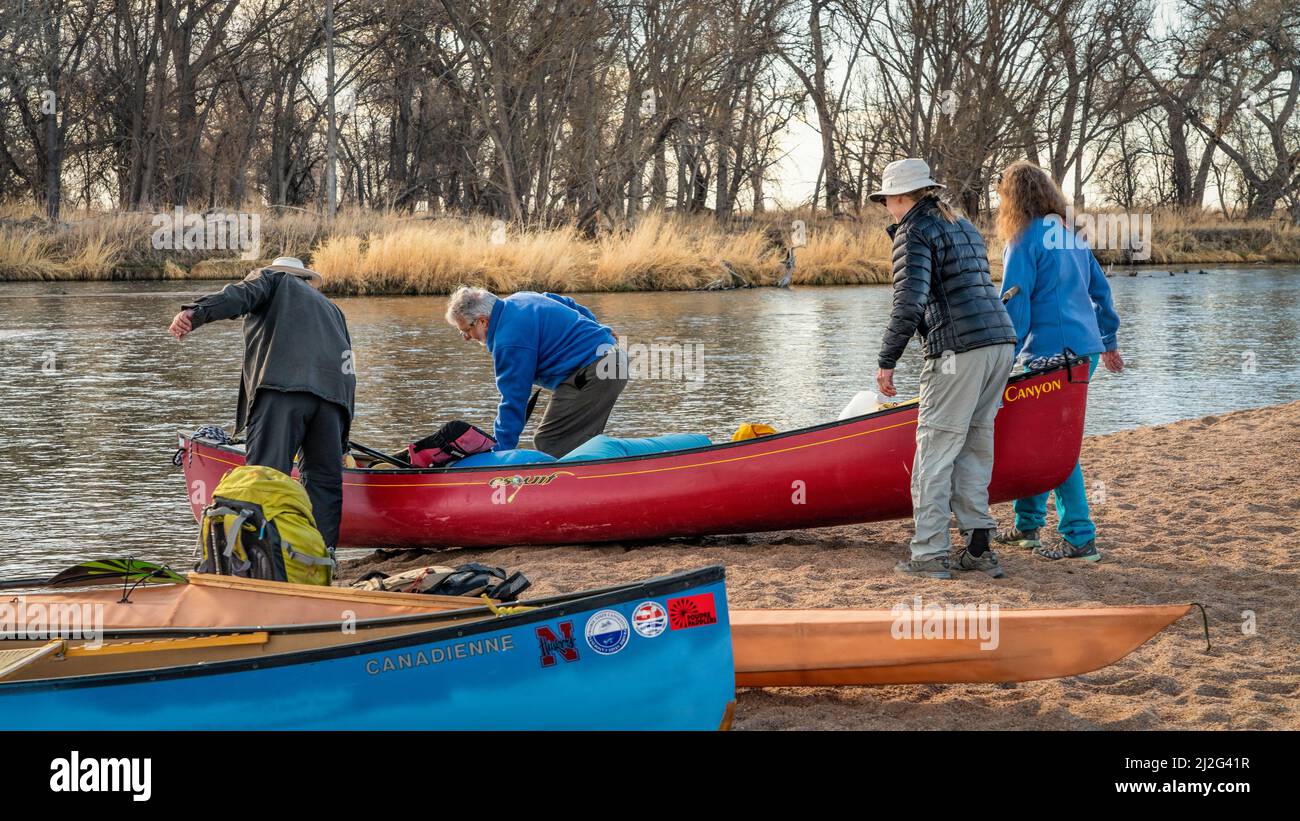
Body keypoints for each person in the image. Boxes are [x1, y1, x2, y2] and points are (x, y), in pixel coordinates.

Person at [872, 158, 1018, 580]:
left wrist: (887, 360)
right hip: (999, 344)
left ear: (900, 197)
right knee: (974, 446)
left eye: (887, 200)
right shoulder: (962, 224)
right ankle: (978, 549)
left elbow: (909, 302)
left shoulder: (914, 230)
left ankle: (930, 554)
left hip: (957, 352)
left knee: (934, 452)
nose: (887, 208)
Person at [168, 256, 356, 550]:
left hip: (282, 391)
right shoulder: (334, 310)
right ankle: (321, 561)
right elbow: (349, 373)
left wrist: (197, 313)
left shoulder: (271, 280)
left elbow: (239, 295)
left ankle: (263, 559)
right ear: (308, 281)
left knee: (266, 477)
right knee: (324, 485)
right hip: (333, 403)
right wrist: (342, 441)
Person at [994, 161, 1124, 561]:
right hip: (1083, 352)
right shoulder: (1071, 235)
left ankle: (1079, 535)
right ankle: (1028, 526)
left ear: (1012, 199)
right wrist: (1109, 341)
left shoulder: (1023, 239)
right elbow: (1101, 291)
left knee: (1054, 444)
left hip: (1052, 354)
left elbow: (1015, 305)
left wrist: (1003, 360)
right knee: (1042, 438)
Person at [445, 286, 628, 458]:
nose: (466, 338)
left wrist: (499, 451)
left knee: (551, 440)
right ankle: (600, 470)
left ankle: (582, 483)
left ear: (482, 321)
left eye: (466, 330)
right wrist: (600, 331)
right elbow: (565, 302)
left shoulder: (508, 341)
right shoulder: (521, 298)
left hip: (597, 371)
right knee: (574, 437)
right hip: (610, 360)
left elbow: (514, 399)